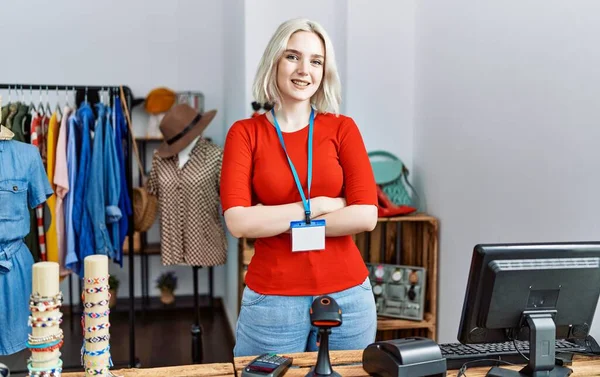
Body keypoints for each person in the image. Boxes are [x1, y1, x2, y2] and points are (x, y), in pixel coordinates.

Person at [220, 18, 378, 357]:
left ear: (324, 70)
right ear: (275, 61)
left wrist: (270, 218)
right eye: (293, 56)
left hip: (349, 296)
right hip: (272, 301)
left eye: (316, 60)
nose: (304, 69)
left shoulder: (343, 129)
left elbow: (365, 215)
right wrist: (320, 204)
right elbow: (238, 222)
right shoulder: (244, 133)